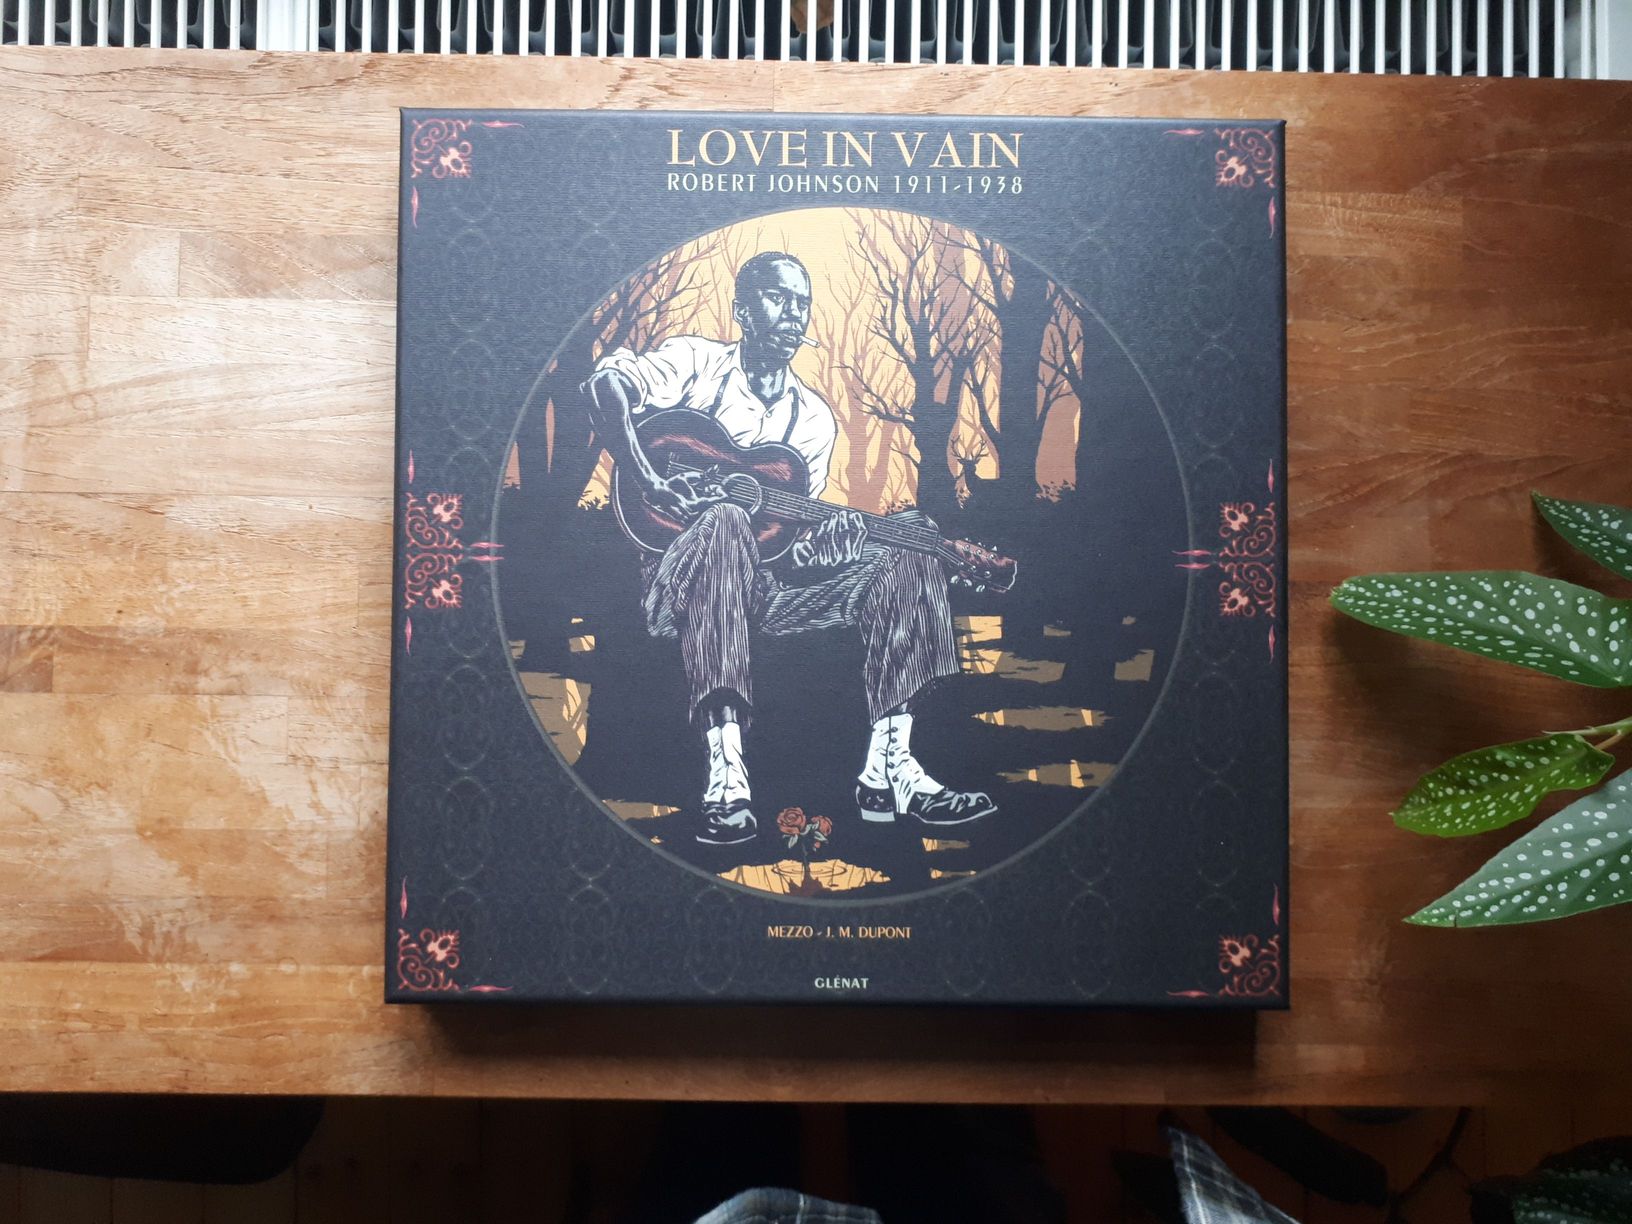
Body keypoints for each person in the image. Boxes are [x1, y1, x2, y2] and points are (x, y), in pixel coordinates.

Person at [584, 251, 996, 846]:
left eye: (801, 303)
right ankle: (726, 775)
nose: (792, 314)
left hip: (766, 591)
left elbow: (788, 549)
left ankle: (889, 769)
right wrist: (647, 478)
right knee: (726, 517)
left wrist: (822, 554)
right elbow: (604, 385)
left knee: (911, 541)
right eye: (778, 299)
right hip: (676, 585)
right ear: (742, 310)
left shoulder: (813, 420)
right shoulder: (696, 362)